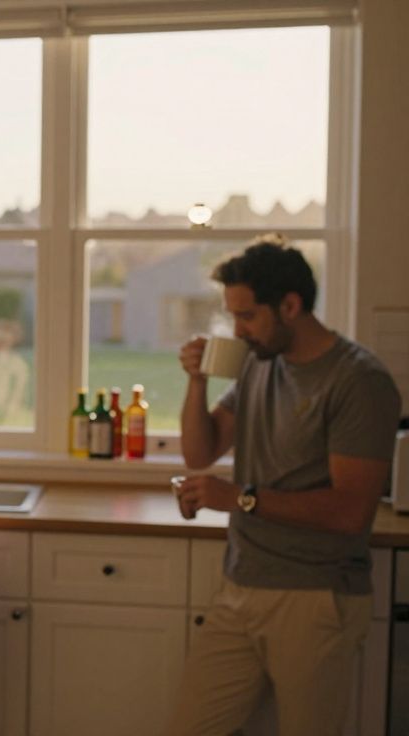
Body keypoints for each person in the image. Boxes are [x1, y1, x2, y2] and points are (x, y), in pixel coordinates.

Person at [167, 235, 402, 736]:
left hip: (314, 597)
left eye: (248, 316)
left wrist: (237, 498)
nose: (238, 330)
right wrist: (196, 381)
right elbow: (200, 452)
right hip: (241, 584)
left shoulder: (359, 381)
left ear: (290, 306)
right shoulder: (258, 363)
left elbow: (348, 513)